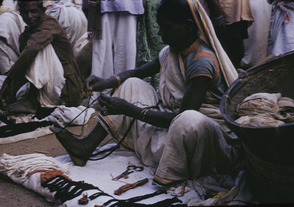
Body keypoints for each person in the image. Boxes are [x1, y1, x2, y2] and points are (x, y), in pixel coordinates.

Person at [51, 0, 240, 187]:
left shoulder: (201, 62)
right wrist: (106, 81)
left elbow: (181, 118)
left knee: (189, 119)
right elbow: (135, 73)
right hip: (173, 123)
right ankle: (86, 146)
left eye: (166, 27)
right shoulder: (170, 51)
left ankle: (173, 171)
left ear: (188, 27)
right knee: (131, 84)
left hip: (204, 138)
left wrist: (130, 110)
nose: (160, 33)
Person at [0, 0, 83, 114]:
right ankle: (31, 98)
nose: (29, 16)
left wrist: (10, 81)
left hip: (67, 90)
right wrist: (11, 89)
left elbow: (31, 50)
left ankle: (32, 101)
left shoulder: (49, 25)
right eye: (25, 12)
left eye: (33, 11)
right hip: (53, 87)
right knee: (27, 42)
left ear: (43, 11)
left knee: (37, 48)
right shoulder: (28, 31)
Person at [0, 0, 26, 75]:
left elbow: (6, 68)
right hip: (22, 65)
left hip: (12, 72)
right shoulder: (12, 14)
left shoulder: (4, 19)